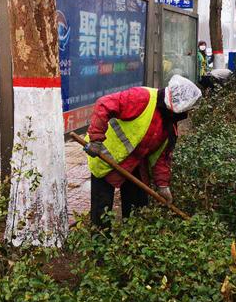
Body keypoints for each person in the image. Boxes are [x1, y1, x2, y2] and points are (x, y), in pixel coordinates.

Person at [84, 75, 202, 230]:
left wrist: (163, 185)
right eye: (188, 108)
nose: (188, 113)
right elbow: (104, 104)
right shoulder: (142, 98)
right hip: (104, 157)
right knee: (102, 211)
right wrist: (95, 139)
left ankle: (131, 242)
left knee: (136, 210)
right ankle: (99, 247)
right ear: (178, 104)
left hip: (134, 165)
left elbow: (162, 158)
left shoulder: (170, 126)